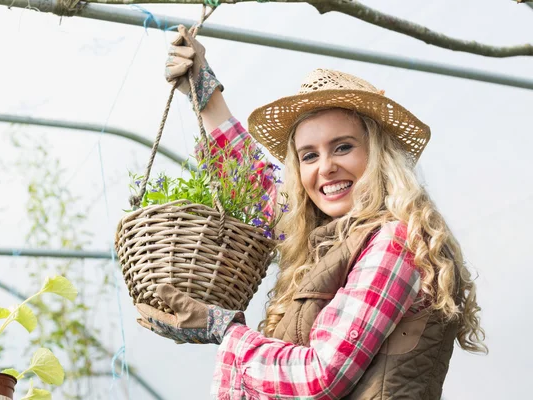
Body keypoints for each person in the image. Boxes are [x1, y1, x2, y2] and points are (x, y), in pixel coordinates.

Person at [136, 25, 487, 399]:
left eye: (342, 147)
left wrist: (223, 330)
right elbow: (256, 185)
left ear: (378, 156)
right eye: (309, 156)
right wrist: (203, 92)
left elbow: (322, 377)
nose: (325, 167)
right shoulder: (342, 237)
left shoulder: (395, 242)